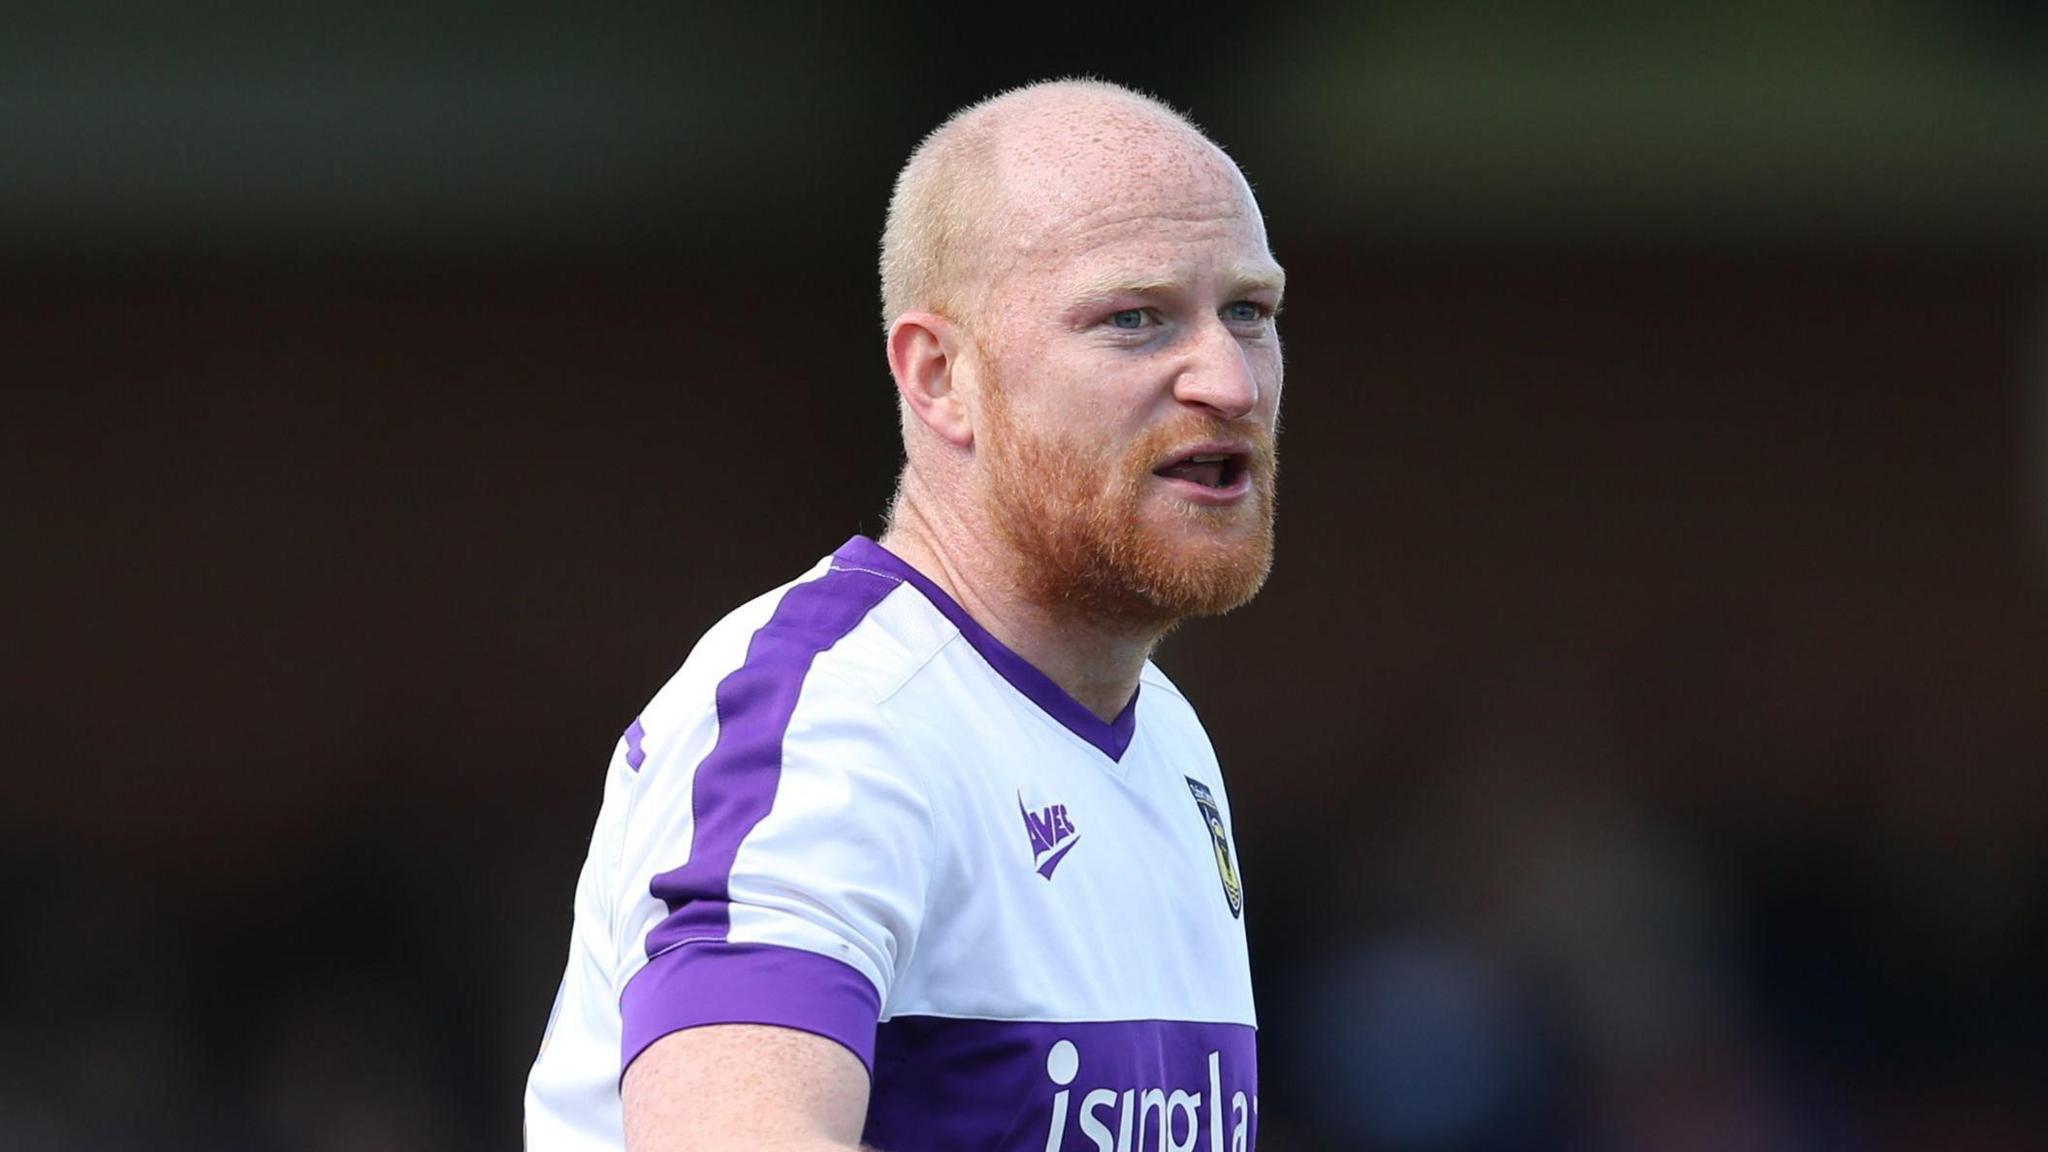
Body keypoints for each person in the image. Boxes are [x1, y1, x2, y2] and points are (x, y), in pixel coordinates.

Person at [524, 77, 1286, 1152]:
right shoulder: (828, 727)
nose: (1229, 380)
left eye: (1249, 313)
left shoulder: (1163, 738)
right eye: (1133, 319)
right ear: (939, 378)